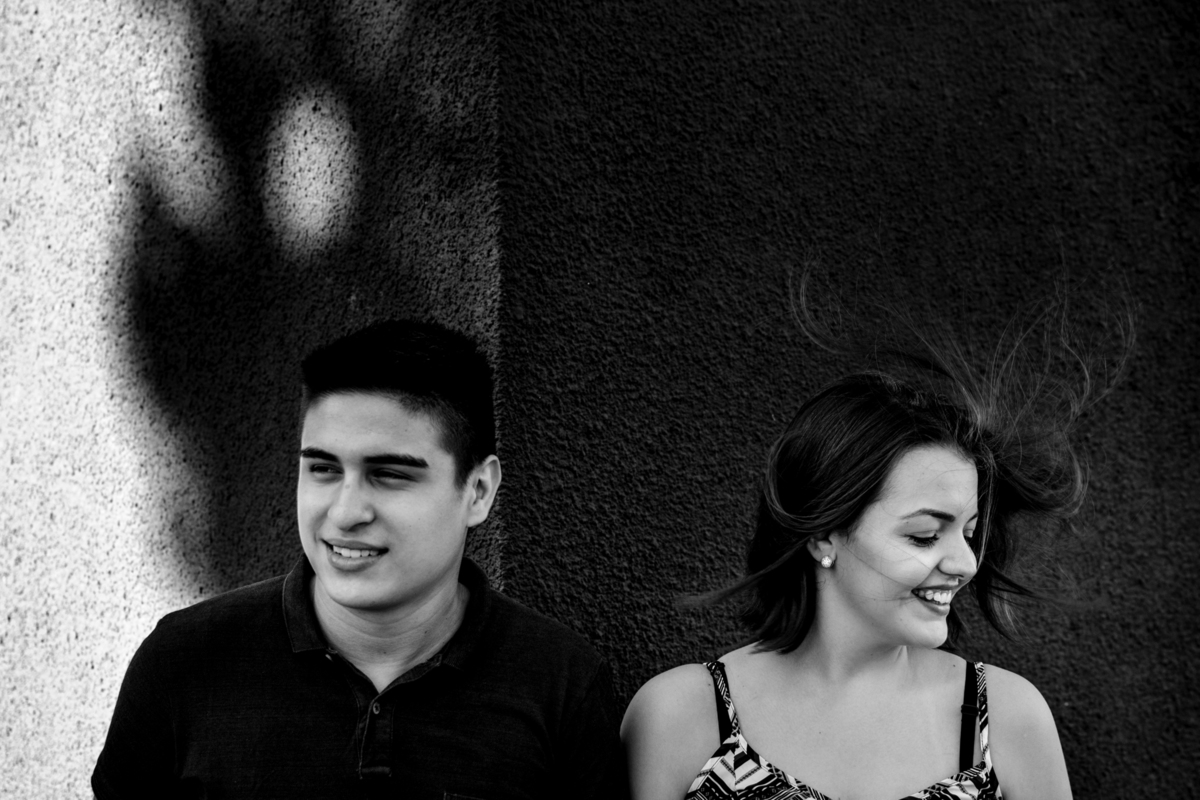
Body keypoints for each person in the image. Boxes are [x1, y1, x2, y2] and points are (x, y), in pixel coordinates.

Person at [93, 319, 627, 799]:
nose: (345, 513)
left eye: (389, 474)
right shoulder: (185, 662)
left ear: (478, 491)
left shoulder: (561, 684)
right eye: (323, 469)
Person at [622, 299, 1121, 800]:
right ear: (823, 535)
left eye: (969, 534)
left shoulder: (1008, 718)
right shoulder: (681, 716)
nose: (966, 564)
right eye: (924, 535)